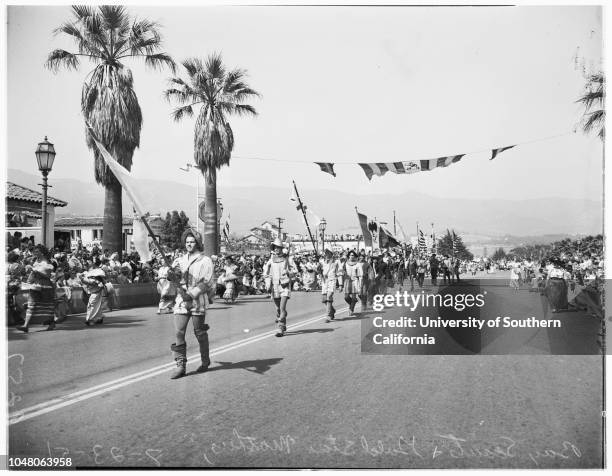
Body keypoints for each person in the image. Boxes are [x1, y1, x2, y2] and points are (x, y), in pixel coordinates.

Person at [170, 230, 215, 379]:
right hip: (181, 300)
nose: (189, 244)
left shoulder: (205, 260)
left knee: (199, 332)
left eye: (192, 241)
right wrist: (171, 276)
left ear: (197, 243)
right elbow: (175, 279)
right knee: (179, 332)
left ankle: (205, 361)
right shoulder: (179, 260)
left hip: (197, 300)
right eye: (187, 242)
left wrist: (191, 294)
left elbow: (207, 282)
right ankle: (180, 365)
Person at [17, 245, 56, 332]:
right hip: (35, 286)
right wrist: (30, 273)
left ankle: (51, 323)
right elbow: (33, 273)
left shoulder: (48, 263)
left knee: (47, 306)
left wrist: (35, 271)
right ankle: (25, 325)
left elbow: (47, 276)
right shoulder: (35, 262)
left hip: (46, 286)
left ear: (42, 253)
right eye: (35, 251)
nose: (35, 253)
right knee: (31, 305)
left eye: (37, 251)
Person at [263, 239, 297, 337]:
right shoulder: (271, 259)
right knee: (278, 309)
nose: (277, 249)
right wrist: (268, 283)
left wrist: (288, 272)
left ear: (281, 248)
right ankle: (283, 323)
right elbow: (266, 273)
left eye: (278, 247)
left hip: (285, 285)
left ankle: (280, 328)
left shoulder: (287, 259)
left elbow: (295, 271)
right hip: (275, 286)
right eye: (275, 247)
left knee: (282, 308)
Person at [80, 259, 107, 326]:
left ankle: (89, 319)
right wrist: (83, 279)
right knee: (97, 305)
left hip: (96, 291)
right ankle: (99, 318)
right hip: (94, 291)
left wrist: (99, 282)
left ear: (95, 264)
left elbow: (102, 281)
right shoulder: (92, 271)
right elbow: (88, 281)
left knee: (91, 305)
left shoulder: (100, 271)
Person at [343, 250, 363, 316]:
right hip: (347, 281)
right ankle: (353, 302)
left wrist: (360, 284)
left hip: (355, 281)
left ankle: (351, 309)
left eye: (353, 255)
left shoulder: (358, 264)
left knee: (354, 297)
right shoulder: (345, 263)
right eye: (350, 255)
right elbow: (342, 271)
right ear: (348, 256)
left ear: (355, 256)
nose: (352, 256)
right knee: (346, 297)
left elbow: (361, 275)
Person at [321, 249, 339, 322]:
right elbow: (319, 271)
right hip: (324, 281)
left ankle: (328, 315)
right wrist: (318, 269)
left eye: (329, 254)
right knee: (324, 299)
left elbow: (339, 272)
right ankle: (332, 310)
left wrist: (340, 284)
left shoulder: (336, 262)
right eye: (326, 254)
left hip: (332, 280)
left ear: (332, 254)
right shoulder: (322, 262)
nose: (327, 255)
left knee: (329, 296)